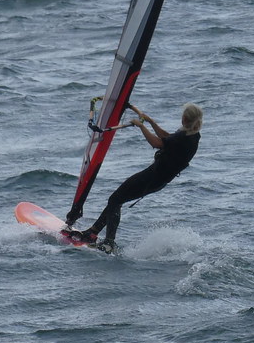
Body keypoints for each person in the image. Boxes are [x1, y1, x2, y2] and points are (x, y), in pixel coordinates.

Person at [67, 102, 202, 254]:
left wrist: (141, 126)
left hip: (152, 177)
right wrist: (150, 122)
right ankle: (93, 233)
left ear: (184, 119)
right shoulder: (192, 135)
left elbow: (156, 143)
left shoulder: (184, 137)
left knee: (115, 200)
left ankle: (109, 243)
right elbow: (166, 137)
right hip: (159, 179)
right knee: (117, 199)